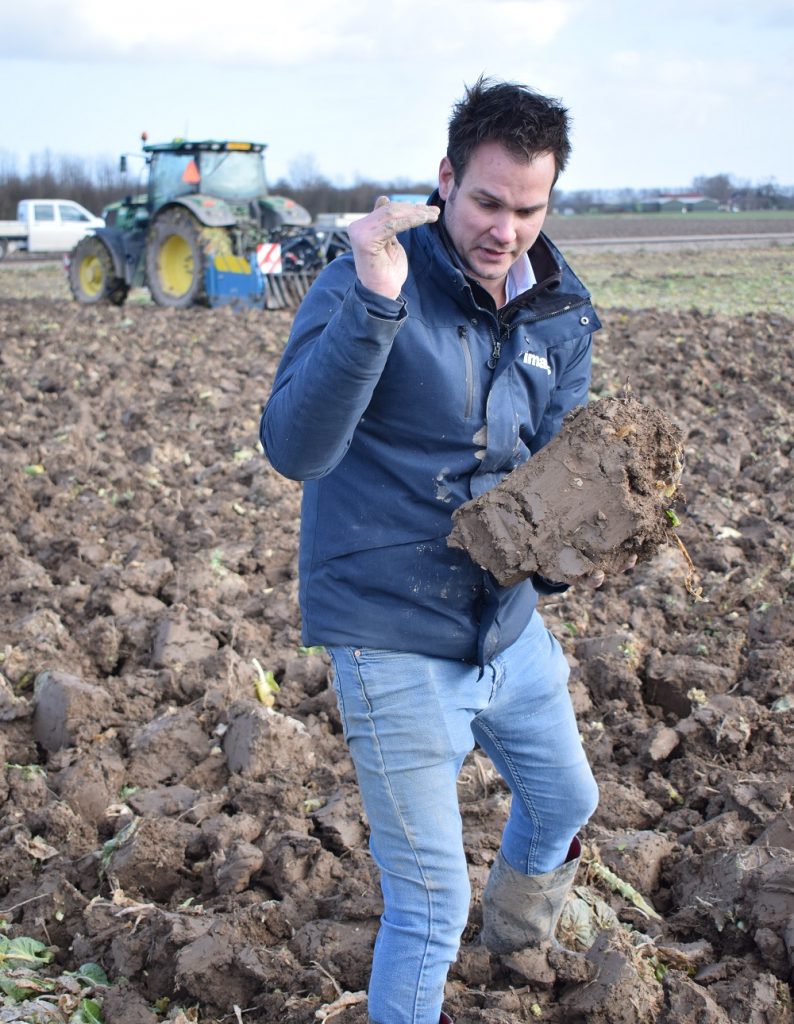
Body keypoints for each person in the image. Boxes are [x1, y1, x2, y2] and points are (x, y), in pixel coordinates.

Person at [261, 76, 602, 1024]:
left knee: (565, 802)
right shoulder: (367, 279)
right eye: (487, 202)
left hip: (507, 627)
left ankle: (520, 943)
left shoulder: (559, 309)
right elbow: (296, 449)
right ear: (445, 179)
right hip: (392, 628)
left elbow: (557, 469)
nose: (506, 231)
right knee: (429, 902)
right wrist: (376, 304)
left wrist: (581, 541)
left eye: (529, 210)